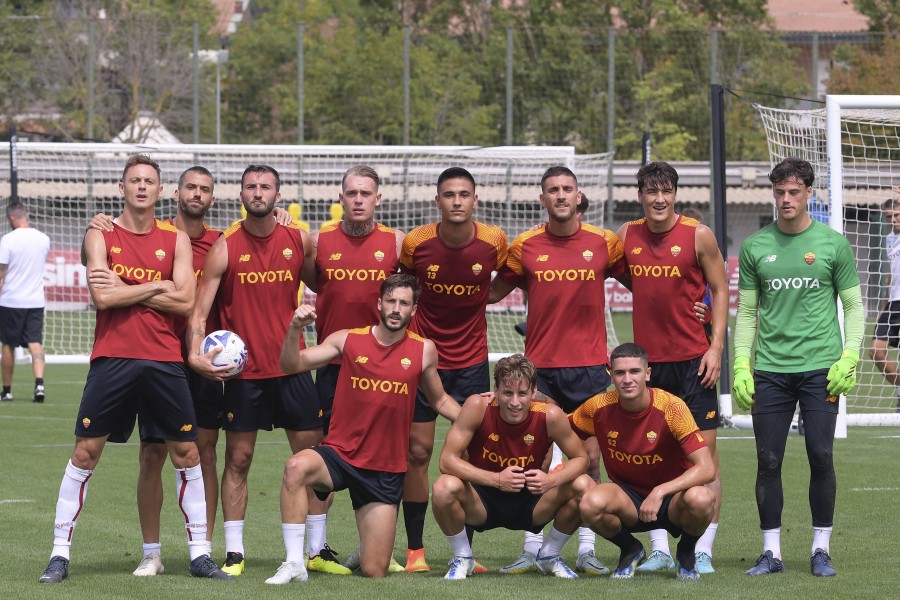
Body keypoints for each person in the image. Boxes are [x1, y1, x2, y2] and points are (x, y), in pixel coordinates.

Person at [38, 154, 231, 583]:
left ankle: (200, 554)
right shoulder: (99, 232)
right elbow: (103, 299)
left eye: (149, 181)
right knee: (85, 453)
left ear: (161, 190)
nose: (142, 187)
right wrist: (158, 284)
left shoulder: (176, 238)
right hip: (113, 357)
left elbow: (185, 303)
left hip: (165, 360)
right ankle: (59, 554)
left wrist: (128, 287)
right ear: (121, 188)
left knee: (187, 453)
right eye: (134, 181)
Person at [266, 273, 460, 583]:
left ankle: (366, 549)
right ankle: (294, 563)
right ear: (379, 304)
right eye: (391, 301)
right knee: (296, 466)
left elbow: (440, 402)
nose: (396, 308)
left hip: (384, 468)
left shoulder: (424, 350)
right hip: (340, 455)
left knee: (374, 570)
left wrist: (479, 416)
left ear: (414, 310)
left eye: (404, 303)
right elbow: (291, 365)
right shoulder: (347, 339)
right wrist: (294, 329)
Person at [732, 157, 864, 577]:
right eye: (779, 192)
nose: (786, 199)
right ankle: (771, 553)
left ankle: (820, 550)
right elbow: (748, 313)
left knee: (821, 455)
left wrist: (850, 355)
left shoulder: (832, 244)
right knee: (768, 460)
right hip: (770, 370)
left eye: (794, 192)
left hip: (821, 369)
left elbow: (854, 306)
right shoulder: (755, 247)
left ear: (809, 194)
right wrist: (740, 363)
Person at [187, 164, 320, 577]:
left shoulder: (298, 238)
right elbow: (199, 311)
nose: (258, 192)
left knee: (313, 459)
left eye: (265, 187)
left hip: (293, 367)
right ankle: (234, 552)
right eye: (251, 186)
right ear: (241, 194)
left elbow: (326, 285)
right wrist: (195, 353)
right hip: (244, 376)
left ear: (278, 196)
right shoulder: (226, 246)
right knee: (238, 460)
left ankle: (315, 549)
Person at [490, 165, 623, 576]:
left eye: (567, 189)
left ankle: (583, 548)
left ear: (579, 196)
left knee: (590, 460)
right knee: (537, 457)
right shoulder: (525, 245)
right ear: (542, 198)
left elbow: (648, 284)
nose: (561, 195)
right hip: (540, 370)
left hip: (588, 369)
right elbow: (490, 292)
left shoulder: (605, 243)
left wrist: (698, 307)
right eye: (553, 190)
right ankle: (532, 549)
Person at [615, 162, 728, 574]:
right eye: (650, 191)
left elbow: (719, 288)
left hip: (694, 363)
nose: (658, 199)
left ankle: (703, 549)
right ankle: (660, 547)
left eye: (665, 191)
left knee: (705, 457)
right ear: (640, 196)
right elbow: (635, 281)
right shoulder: (627, 236)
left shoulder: (698, 234)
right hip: (648, 368)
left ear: (675, 194)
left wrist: (715, 348)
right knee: (654, 454)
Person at [398, 167, 508, 572]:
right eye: (449, 195)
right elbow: (404, 288)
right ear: (437, 200)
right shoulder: (416, 243)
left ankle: (466, 553)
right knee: (418, 452)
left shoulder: (494, 240)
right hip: (425, 360)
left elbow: (509, 275)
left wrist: (488, 294)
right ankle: (415, 552)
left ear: (475, 200)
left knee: (472, 454)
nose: (457, 201)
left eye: (464, 194)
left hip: (474, 361)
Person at [304, 165, 404, 574]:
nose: (359, 199)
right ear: (340, 198)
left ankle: (376, 547)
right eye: (352, 193)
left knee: (384, 455)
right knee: (328, 455)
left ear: (378, 199)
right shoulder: (318, 240)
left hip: (387, 372)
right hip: (335, 367)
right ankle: (316, 548)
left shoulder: (397, 244)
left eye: (366, 193)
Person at [432, 354, 593, 580]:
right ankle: (462, 557)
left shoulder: (550, 415)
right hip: (482, 502)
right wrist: (497, 480)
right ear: (495, 390)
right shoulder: (477, 406)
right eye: (507, 393)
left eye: (522, 393)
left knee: (584, 484)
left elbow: (581, 458)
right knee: (443, 487)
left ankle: (549, 555)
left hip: (533, 501)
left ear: (534, 391)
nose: (514, 402)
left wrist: (551, 480)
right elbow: (446, 460)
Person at [575, 343, 715, 581]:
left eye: (635, 372)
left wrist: (660, 492)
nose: (627, 379)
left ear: (648, 374)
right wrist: (501, 403)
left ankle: (686, 551)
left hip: (673, 501)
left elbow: (707, 468)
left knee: (701, 499)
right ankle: (631, 549)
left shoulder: (672, 408)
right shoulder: (597, 407)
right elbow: (555, 426)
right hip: (628, 498)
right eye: (620, 373)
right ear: (611, 374)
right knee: (589, 503)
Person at [514, 193, 589, 338]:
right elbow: (522, 276)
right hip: (541, 325)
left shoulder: (594, 243)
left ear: (579, 213)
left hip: (576, 328)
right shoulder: (532, 241)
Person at [0, 202, 50, 403]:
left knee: (8, 345)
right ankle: (39, 384)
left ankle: (7, 391)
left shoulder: (8, 240)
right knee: (35, 343)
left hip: (12, 300)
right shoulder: (43, 239)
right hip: (36, 300)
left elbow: (1, 272)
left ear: (12, 218)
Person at [868, 197, 900, 412]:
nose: (894, 219)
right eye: (889, 216)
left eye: (897, 215)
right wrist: (884, 305)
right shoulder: (889, 239)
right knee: (875, 351)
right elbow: (892, 275)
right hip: (893, 304)